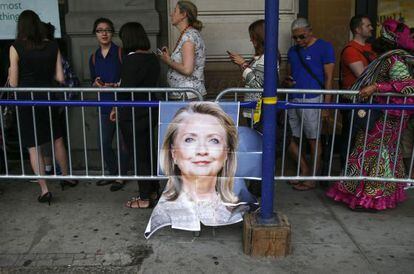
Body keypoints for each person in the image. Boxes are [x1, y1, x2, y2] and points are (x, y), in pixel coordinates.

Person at [326, 19, 414, 211]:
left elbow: (408, 86)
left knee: (371, 152)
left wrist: (377, 86)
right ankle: (367, 195)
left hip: (386, 117)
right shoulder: (391, 58)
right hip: (382, 114)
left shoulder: (395, 59)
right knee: (370, 152)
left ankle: (371, 198)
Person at [145, 102, 246, 238]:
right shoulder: (164, 213)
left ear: (227, 153)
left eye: (214, 140)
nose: (202, 150)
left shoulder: (237, 208)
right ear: (173, 153)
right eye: (190, 139)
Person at [8, 10, 77, 204]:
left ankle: (45, 189)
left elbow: (13, 83)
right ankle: (67, 177)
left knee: (33, 146)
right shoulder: (52, 46)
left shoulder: (15, 47)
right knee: (57, 140)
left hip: (26, 100)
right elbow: (60, 78)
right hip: (48, 97)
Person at [109, 22, 161, 209]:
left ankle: (145, 197)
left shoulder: (131, 60)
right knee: (148, 151)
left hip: (132, 113)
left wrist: (116, 101)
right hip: (150, 110)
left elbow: (127, 89)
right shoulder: (153, 58)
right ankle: (153, 190)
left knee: (138, 155)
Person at [283, 18, 335, 190]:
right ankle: (304, 170)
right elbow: (289, 74)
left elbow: (329, 78)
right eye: (295, 38)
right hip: (294, 98)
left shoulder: (324, 47)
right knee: (291, 136)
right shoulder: (293, 51)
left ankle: (312, 176)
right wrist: (287, 82)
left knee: (313, 139)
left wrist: (327, 106)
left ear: (310, 31)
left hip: (313, 97)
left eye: (301, 37)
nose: (298, 41)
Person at [89, 17, 128, 191]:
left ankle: (121, 176)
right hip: (104, 105)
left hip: (121, 104)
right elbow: (92, 81)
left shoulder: (120, 53)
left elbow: (128, 79)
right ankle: (113, 173)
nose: (104, 33)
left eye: (107, 30)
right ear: (95, 34)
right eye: (99, 30)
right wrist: (95, 83)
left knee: (123, 143)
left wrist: (118, 84)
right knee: (103, 143)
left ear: (112, 33)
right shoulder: (94, 57)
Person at [339, 15, 377, 170]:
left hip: (367, 99)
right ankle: (347, 173)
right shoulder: (351, 50)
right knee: (351, 138)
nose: (371, 28)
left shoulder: (370, 48)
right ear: (357, 29)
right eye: (367, 25)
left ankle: (359, 174)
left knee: (365, 138)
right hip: (355, 100)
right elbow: (364, 77)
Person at [158, 0, 206, 99]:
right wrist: (171, 55)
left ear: (183, 14)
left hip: (187, 95)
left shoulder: (188, 37)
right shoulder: (190, 34)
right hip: (187, 94)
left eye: (175, 11)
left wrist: (168, 60)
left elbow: (187, 69)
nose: (171, 14)